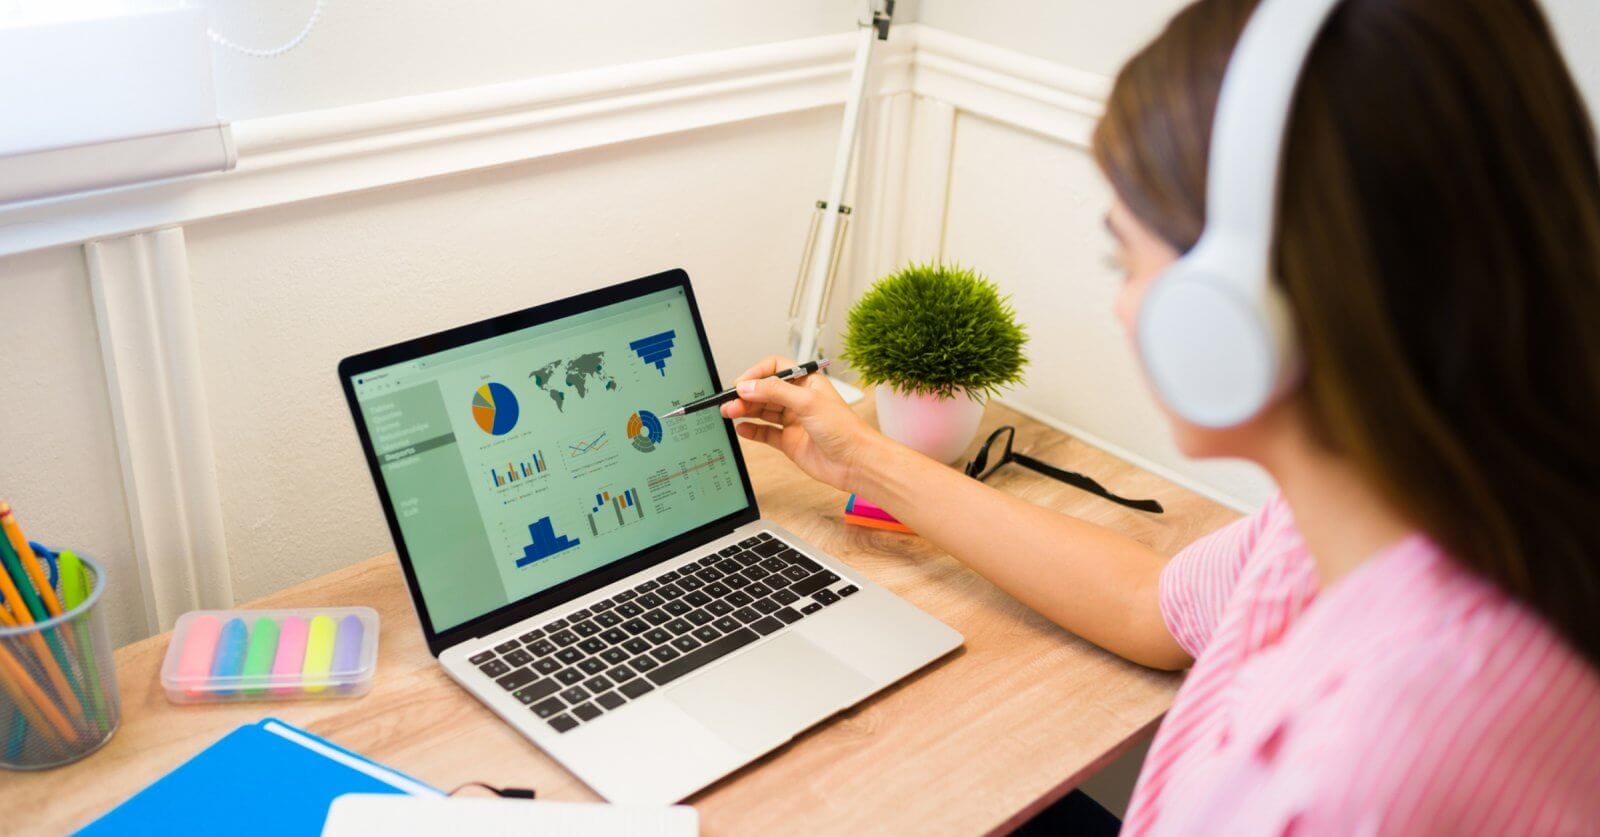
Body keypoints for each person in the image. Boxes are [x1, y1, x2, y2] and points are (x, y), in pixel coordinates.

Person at [721, 0, 1600, 832]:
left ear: (1238, 311)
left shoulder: (1359, 781)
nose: (1123, 305)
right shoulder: (1393, 511)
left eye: (1127, 257)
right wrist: (859, 458)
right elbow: (1149, 601)